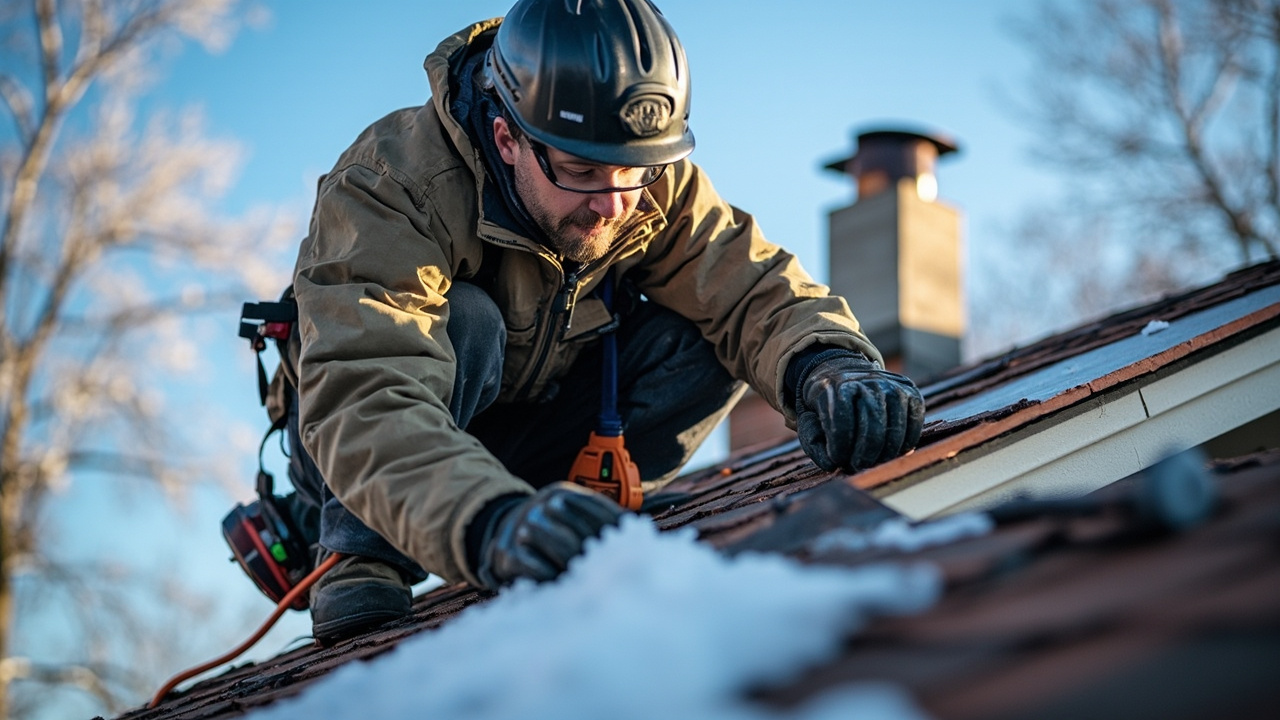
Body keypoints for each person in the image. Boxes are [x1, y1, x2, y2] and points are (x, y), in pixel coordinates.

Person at [284, 0, 925, 645]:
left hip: (543, 425)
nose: (614, 204)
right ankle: (363, 555)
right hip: (378, 456)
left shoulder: (648, 179)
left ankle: (573, 517)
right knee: (468, 320)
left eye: (632, 173)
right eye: (582, 172)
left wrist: (829, 365)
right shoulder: (390, 188)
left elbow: (746, 284)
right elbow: (365, 389)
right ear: (508, 138)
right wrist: (488, 521)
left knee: (703, 329)